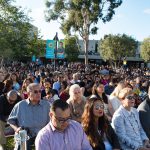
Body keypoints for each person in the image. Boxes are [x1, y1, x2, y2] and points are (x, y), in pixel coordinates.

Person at [7, 83, 50, 150]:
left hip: (43, 134)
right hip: (25, 134)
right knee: (20, 147)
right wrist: (17, 129)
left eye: (40, 91)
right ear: (28, 93)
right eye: (35, 92)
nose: (39, 93)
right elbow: (11, 121)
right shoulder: (20, 105)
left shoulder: (47, 105)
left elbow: (53, 121)